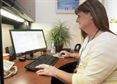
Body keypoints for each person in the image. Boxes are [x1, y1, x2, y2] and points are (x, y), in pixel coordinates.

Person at [36, 0, 117, 83]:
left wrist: (54, 71)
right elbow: (90, 56)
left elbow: (87, 82)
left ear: (92, 15)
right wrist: (71, 55)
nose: (76, 20)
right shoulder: (90, 38)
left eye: (79, 16)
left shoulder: (107, 43)